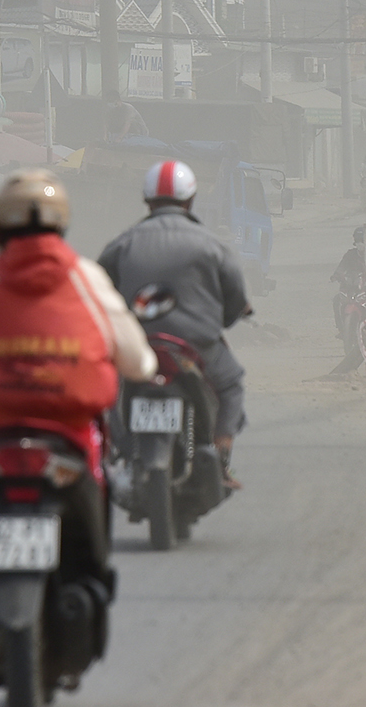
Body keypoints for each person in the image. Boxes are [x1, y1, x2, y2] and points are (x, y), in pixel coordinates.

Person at [0, 170, 156, 581]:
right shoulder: (86, 277)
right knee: (99, 481)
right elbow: (134, 357)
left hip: (0, 427)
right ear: (63, 223)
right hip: (71, 430)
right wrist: (144, 368)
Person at [96, 159, 251, 489]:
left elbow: (98, 288)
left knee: (106, 387)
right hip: (195, 348)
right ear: (190, 200)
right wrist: (224, 319)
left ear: (148, 201)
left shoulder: (123, 243)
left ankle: (116, 453)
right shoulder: (211, 245)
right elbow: (234, 296)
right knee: (231, 385)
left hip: (137, 345)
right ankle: (221, 455)